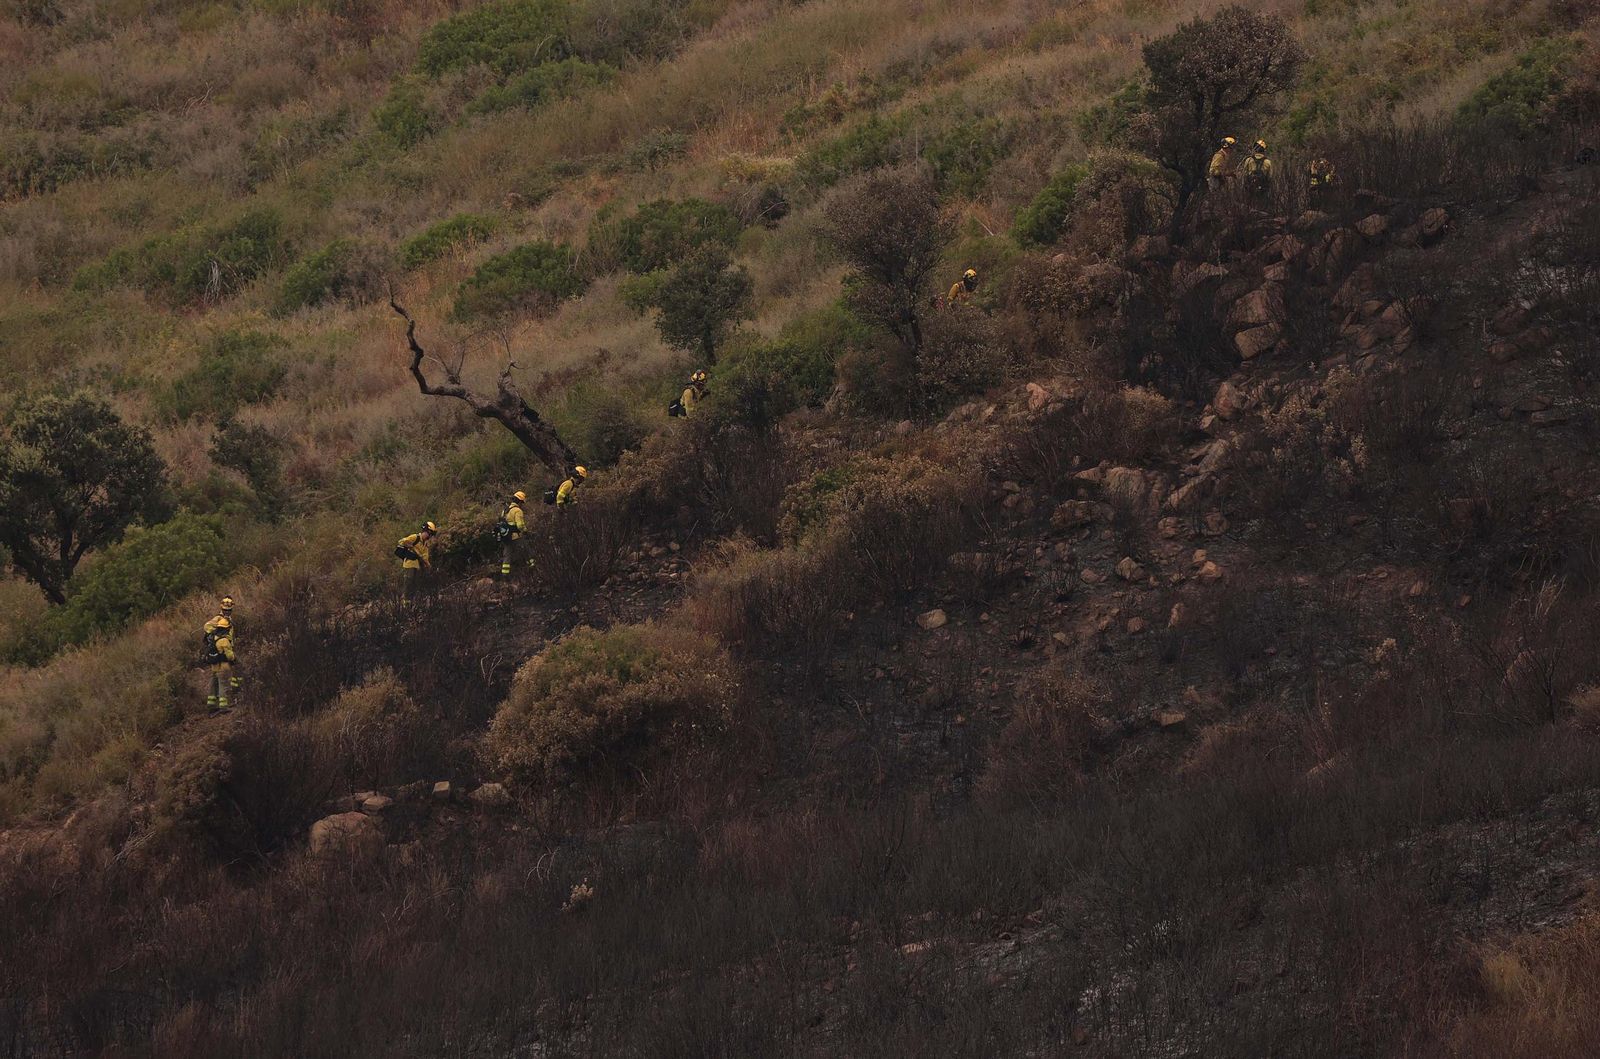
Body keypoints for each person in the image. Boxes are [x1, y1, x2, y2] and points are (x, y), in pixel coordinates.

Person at [396, 521, 438, 602]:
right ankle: (405, 601)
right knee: (409, 582)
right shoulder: (415, 537)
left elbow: (425, 557)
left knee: (415, 584)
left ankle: (411, 601)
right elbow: (401, 541)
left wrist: (428, 565)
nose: (429, 536)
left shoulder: (425, 544)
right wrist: (409, 545)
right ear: (425, 531)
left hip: (417, 566)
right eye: (429, 534)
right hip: (409, 564)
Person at [204, 615, 238, 713]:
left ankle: (211, 705)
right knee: (223, 685)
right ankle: (223, 707)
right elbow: (230, 656)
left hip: (214, 666)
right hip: (223, 667)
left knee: (213, 686)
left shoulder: (214, 638)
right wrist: (235, 658)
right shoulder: (224, 640)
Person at [497, 491, 527, 577]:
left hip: (506, 537)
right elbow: (520, 525)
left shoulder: (505, 510)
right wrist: (525, 531)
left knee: (507, 555)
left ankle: (505, 574)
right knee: (526, 551)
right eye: (522, 502)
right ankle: (532, 568)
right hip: (515, 536)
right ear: (519, 502)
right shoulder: (517, 511)